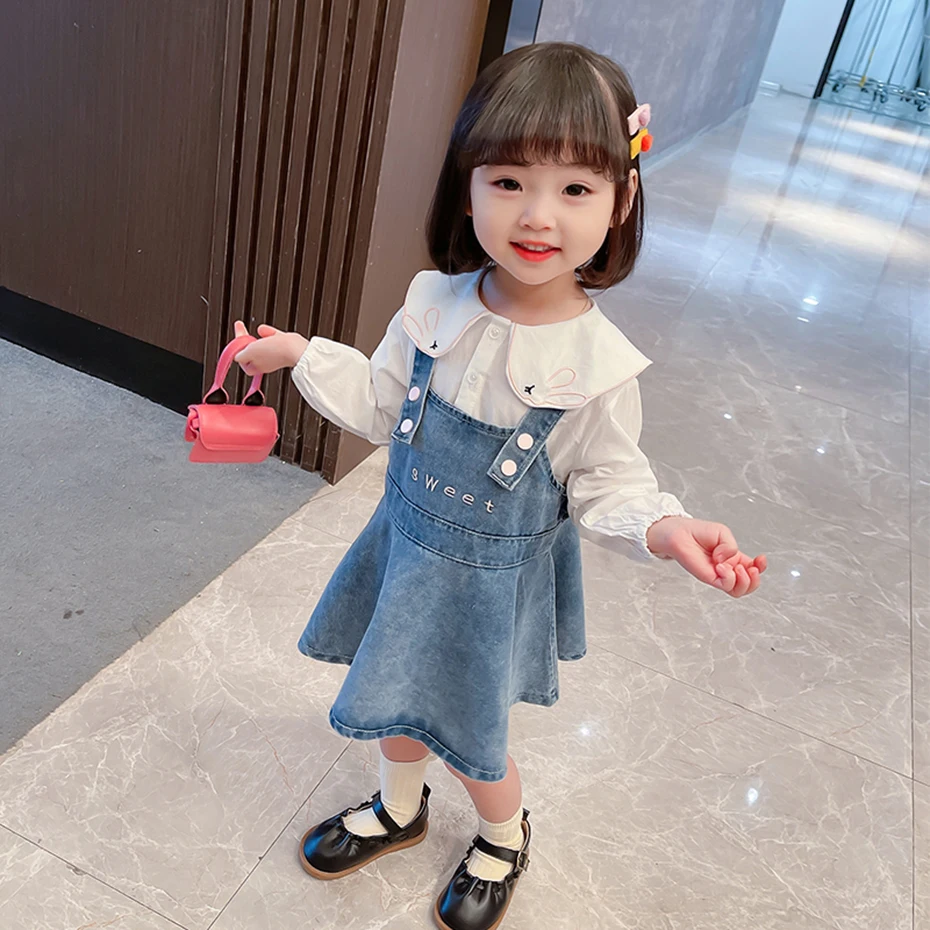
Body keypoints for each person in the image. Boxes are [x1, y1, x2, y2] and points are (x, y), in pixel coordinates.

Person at [233, 41, 766, 930]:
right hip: (408, 554)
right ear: (467, 186)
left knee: (473, 742)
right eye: (509, 180)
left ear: (621, 199)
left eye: (577, 188)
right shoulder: (433, 303)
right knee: (392, 699)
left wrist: (665, 528)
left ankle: (503, 834)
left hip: (491, 588)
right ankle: (398, 810)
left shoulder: (597, 365)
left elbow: (608, 481)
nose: (538, 216)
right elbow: (380, 400)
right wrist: (298, 355)